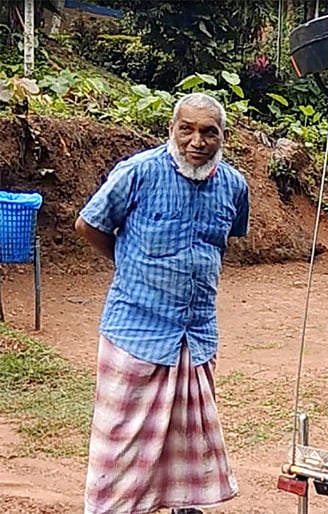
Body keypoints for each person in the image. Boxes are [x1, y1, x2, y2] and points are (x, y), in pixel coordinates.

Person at [75, 92, 250, 514]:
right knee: (119, 444)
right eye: (186, 129)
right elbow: (88, 225)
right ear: (171, 130)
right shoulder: (138, 172)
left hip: (196, 333)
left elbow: (227, 240)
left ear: (223, 137)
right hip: (136, 330)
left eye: (209, 132)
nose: (197, 141)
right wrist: (128, 265)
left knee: (184, 437)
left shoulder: (234, 185)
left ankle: (182, 506)